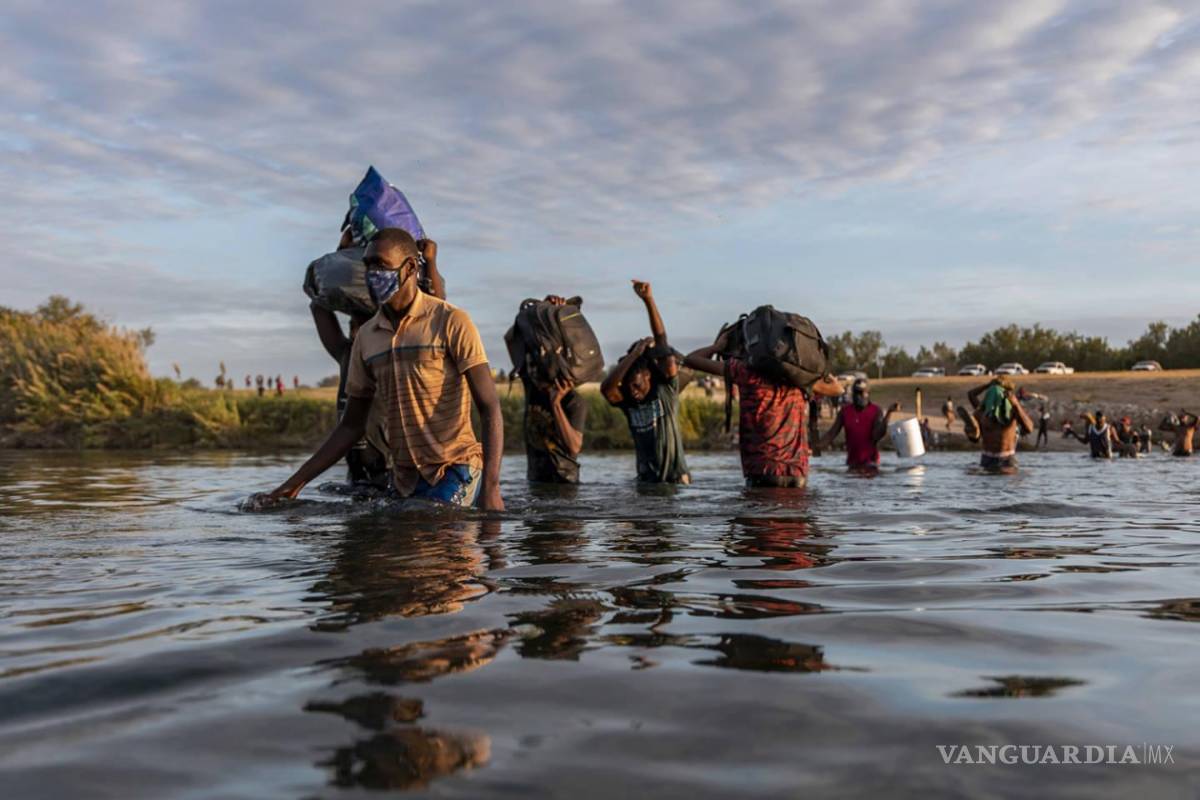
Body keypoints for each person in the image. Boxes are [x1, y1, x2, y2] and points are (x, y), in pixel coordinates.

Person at [255, 228, 504, 511]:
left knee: (432, 534)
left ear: (410, 267)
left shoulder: (450, 321)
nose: (373, 274)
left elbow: (490, 406)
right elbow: (351, 425)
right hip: (403, 478)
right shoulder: (367, 336)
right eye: (368, 265)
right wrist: (292, 485)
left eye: (381, 265)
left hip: (454, 467)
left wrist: (492, 488)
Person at [685, 332, 842, 488]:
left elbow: (691, 360)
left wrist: (717, 347)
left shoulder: (745, 372)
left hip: (762, 470)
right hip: (797, 473)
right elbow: (838, 388)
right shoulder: (800, 379)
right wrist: (815, 366)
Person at [600, 280, 689, 484]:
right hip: (645, 481)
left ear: (648, 376)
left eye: (636, 384)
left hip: (676, 481)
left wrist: (648, 300)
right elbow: (606, 389)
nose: (633, 391)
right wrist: (634, 354)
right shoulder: (629, 403)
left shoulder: (665, 390)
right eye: (628, 386)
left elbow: (662, 341)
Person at [521, 294, 589, 484]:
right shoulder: (533, 389)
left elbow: (574, 447)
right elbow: (521, 339)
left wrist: (556, 405)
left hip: (563, 484)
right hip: (535, 482)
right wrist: (544, 308)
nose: (536, 374)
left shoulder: (575, 402)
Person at [816, 379, 899, 471]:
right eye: (856, 393)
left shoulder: (875, 411)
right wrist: (814, 448)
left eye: (862, 393)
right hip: (852, 465)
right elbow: (831, 434)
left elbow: (877, 435)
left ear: (868, 393)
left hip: (871, 465)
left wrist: (889, 413)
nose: (859, 396)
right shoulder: (845, 412)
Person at [959, 377, 1035, 473]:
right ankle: (974, 429)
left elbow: (1029, 428)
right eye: (992, 394)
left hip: (1007, 459)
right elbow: (971, 394)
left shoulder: (1013, 412)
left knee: (1006, 478)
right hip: (987, 459)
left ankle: (974, 430)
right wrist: (987, 385)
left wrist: (1016, 404)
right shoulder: (983, 412)